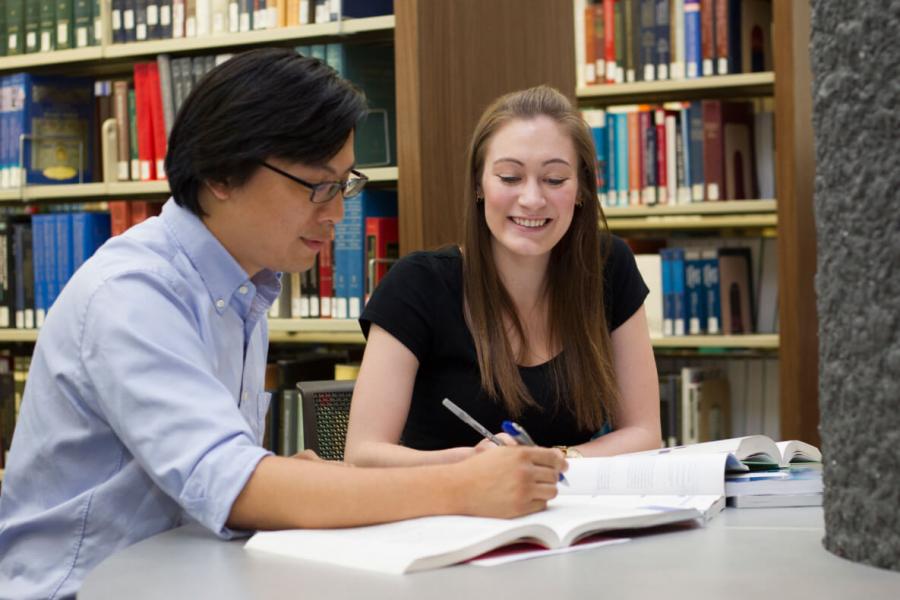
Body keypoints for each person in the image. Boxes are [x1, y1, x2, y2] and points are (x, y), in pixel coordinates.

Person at [0, 49, 565, 599]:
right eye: (317, 185)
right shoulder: (134, 295)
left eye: (344, 184)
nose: (337, 212)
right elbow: (237, 488)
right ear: (223, 172)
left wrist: (448, 467)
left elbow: (234, 478)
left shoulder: (242, 288)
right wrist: (461, 487)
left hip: (184, 570)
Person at [344, 85, 661, 468]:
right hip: (444, 514)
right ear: (479, 184)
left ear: (581, 190)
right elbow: (363, 455)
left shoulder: (609, 265)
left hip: (568, 513)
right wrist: (474, 464)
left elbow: (644, 433)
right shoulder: (418, 284)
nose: (531, 199)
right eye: (510, 178)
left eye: (555, 180)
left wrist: (552, 461)